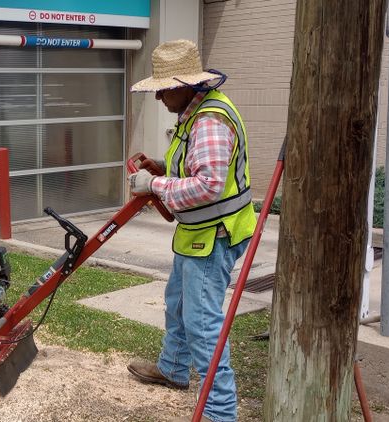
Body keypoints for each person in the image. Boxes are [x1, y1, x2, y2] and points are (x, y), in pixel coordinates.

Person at [125, 39, 256, 422]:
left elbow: (209, 185)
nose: (158, 98)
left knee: (203, 325)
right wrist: (163, 168)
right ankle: (174, 368)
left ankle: (219, 413)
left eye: (163, 90)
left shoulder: (210, 120)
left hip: (215, 234)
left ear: (185, 85)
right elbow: (195, 166)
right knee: (178, 304)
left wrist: (154, 186)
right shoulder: (195, 113)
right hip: (197, 233)